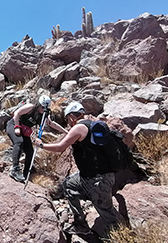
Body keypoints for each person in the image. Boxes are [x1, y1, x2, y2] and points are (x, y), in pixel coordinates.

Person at [32, 101, 123, 236]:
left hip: (97, 180)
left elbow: (60, 147)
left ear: (71, 117)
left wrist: (41, 145)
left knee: (107, 213)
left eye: (67, 119)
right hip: (93, 175)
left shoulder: (78, 128)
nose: (68, 122)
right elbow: (71, 136)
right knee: (68, 186)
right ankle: (81, 224)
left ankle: (123, 240)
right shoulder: (90, 124)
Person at [6, 95, 67, 182]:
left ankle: (26, 172)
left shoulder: (44, 114)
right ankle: (14, 169)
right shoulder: (30, 107)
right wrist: (16, 126)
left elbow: (51, 123)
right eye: (42, 107)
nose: (43, 109)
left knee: (30, 151)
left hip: (25, 131)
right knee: (19, 142)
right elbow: (17, 113)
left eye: (45, 108)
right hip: (14, 125)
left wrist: (66, 132)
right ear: (38, 104)